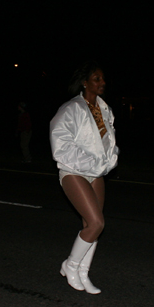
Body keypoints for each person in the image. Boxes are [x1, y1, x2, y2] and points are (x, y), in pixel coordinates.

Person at [50, 61, 118, 294]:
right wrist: (89, 163)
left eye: (103, 79)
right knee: (98, 223)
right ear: (85, 82)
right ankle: (70, 265)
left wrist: (110, 160)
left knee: (91, 226)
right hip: (73, 171)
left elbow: (109, 141)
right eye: (97, 79)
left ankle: (83, 273)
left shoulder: (104, 108)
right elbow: (60, 143)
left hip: (96, 173)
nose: (102, 83)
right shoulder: (72, 108)